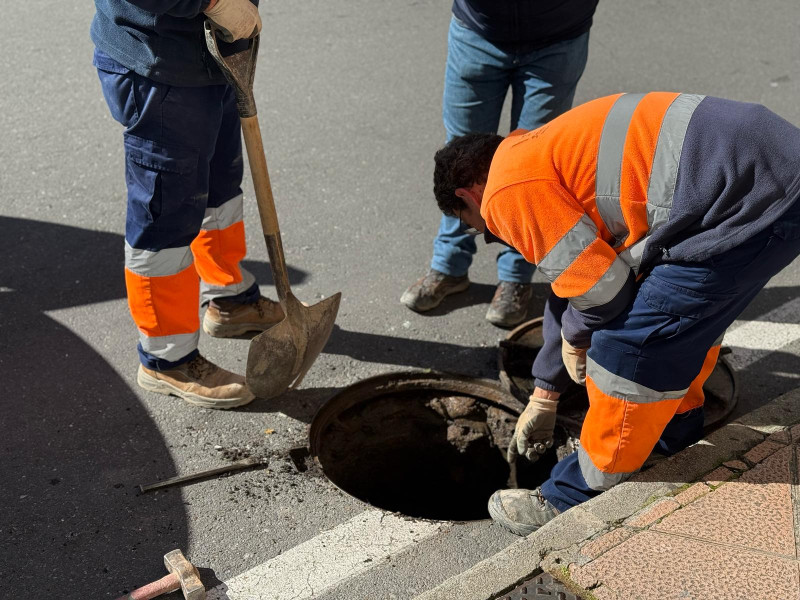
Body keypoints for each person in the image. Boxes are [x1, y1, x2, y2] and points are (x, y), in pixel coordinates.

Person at [431, 92, 800, 534]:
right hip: (761, 171)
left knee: (628, 346)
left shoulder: (504, 193)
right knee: (679, 325)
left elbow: (603, 295)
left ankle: (571, 499)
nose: (492, 232)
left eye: (478, 226)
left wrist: (576, 335)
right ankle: (672, 439)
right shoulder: (538, 151)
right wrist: (545, 392)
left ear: (468, 194)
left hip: (747, 197)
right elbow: (571, 283)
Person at [91, 0, 280, 409]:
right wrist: (212, 2)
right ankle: (166, 359)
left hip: (212, 53)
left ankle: (228, 298)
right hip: (160, 64)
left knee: (218, 189)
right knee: (167, 220)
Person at [401, 0, 598, 327]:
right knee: (459, 161)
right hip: (478, 31)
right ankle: (449, 265)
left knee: (532, 167)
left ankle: (515, 276)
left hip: (559, 36)